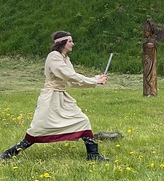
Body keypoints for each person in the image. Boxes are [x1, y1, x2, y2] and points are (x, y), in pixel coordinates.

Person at [1, 31, 111, 161]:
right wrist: (94, 80)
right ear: (62, 43)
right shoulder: (54, 56)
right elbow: (68, 75)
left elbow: (72, 81)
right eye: (70, 41)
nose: (72, 44)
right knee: (38, 128)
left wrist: (95, 79)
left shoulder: (66, 58)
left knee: (82, 120)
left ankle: (93, 155)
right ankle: (9, 153)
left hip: (62, 97)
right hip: (50, 97)